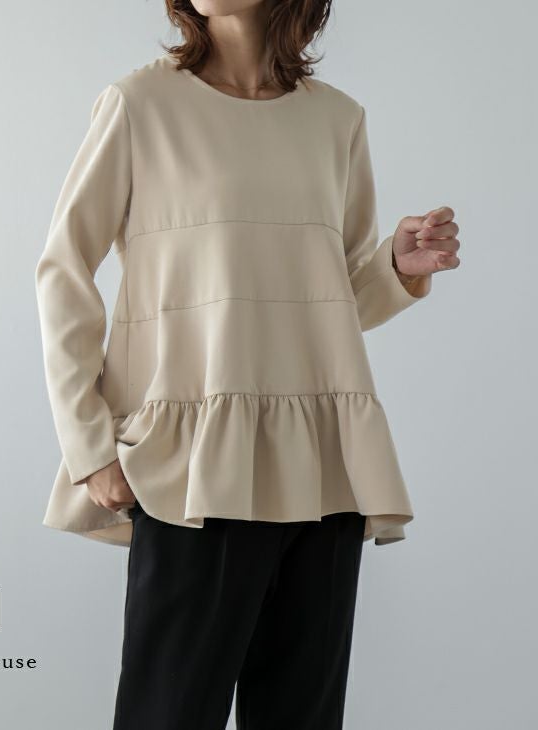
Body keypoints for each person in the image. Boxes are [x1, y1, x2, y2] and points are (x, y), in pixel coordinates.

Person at [34, 1, 460, 727]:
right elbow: (63, 270)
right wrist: (89, 445)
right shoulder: (139, 106)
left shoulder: (337, 120)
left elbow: (332, 300)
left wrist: (394, 266)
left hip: (324, 466)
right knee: (169, 714)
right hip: (192, 468)